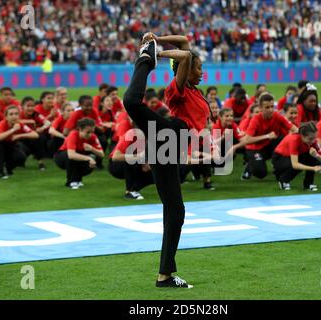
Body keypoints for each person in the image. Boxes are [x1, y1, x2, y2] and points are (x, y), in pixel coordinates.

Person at [122, 32, 211, 288]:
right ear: (187, 71)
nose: (202, 71)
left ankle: (165, 276)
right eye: (200, 68)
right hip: (172, 132)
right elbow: (184, 55)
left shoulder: (192, 89)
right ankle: (144, 61)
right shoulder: (178, 88)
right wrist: (155, 52)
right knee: (131, 102)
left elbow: (184, 43)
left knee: (176, 211)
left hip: (170, 149)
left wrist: (157, 37)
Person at [235, 93, 297, 180]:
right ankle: (250, 165)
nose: (271, 110)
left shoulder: (277, 115)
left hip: (268, 145)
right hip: (254, 148)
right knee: (261, 173)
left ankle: (278, 169)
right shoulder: (256, 119)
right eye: (267, 107)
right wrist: (267, 136)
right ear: (260, 108)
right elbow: (247, 140)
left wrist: (304, 135)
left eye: (272, 106)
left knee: (285, 140)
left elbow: (294, 128)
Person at [272, 122, 321, 191]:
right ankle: (283, 180)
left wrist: (316, 155)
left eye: (314, 138)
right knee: (298, 164)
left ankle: (308, 184)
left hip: (293, 157)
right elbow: (295, 165)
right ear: (302, 136)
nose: (313, 141)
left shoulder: (313, 141)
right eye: (310, 139)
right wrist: (313, 168)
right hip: (279, 158)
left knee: (312, 157)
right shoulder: (294, 139)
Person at [0, 105, 39, 179]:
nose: (14, 116)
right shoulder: (2, 123)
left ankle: (8, 167)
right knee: (0, 144)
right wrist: (13, 130)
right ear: (6, 117)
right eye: (11, 114)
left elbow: (35, 135)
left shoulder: (20, 124)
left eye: (16, 114)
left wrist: (19, 136)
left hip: (10, 146)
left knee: (21, 158)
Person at [54, 118, 104, 189]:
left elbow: (102, 154)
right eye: (88, 132)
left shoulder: (93, 137)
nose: (90, 134)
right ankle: (71, 182)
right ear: (80, 130)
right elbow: (71, 155)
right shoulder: (73, 135)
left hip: (78, 156)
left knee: (90, 165)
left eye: (92, 132)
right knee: (69, 157)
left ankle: (77, 180)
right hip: (61, 157)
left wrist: (92, 149)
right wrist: (89, 158)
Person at [109, 128, 154, 199]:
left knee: (156, 172)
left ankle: (134, 189)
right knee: (132, 159)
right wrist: (140, 157)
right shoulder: (132, 134)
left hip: (135, 162)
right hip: (116, 165)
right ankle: (129, 191)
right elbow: (115, 157)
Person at [19, 96, 51, 170]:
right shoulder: (18, 114)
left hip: (32, 137)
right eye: (28, 106)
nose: (30, 108)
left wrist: (41, 128)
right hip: (21, 138)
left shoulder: (36, 114)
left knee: (39, 137)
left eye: (32, 106)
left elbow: (48, 123)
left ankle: (41, 162)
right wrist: (28, 121)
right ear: (22, 107)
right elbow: (13, 121)